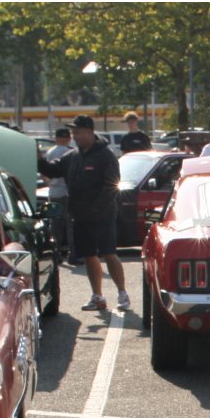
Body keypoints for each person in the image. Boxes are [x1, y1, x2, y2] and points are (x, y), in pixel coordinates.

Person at [37, 115, 131, 314]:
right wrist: (38, 159)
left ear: (89, 132)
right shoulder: (72, 156)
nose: (75, 136)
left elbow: (112, 185)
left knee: (109, 253)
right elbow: (53, 170)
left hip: (103, 215)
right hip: (80, 217)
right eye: (73, 133)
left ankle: (122, 293)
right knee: (89, 256)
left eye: (78, 132)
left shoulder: (106, 155)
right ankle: (97, 296)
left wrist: (96, 209)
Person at [45, 126, 76, 276]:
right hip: (67, 192)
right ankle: (73, 254)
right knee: (71, 224)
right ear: (69, 138)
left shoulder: (50, 152)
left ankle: (55, 254)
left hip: (53, 192)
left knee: (55, 226)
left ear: (56, 138)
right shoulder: (71, 152)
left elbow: (45, 173)